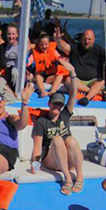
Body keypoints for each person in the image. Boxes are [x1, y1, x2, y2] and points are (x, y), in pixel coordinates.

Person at [32, 59, 83, 195]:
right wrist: (35, 163)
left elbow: (73, 94)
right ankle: (67, 178)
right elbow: (37, 146)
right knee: (57, 139)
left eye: (60, 104)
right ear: (49, 104)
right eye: (55, 104)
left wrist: (72, 73)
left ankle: (79, 176)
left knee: (70, 140)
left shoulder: (65, 114)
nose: (57, 106)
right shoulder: (41, 122)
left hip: (68, 159)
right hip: (52, 161)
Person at [53, 28, 106, 106]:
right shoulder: (75, 48)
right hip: (77, 80)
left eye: (89, 39)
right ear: (81, 39)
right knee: (67, 80)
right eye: (85, 39)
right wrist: (58, 39)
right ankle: (96, 92)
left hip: (93, 81)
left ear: (93, 40)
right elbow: (63, 46)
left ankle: (87, 98)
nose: (87, 41)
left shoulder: (99, 50)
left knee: (101, 82)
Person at [29, 33, 68, 98]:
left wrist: (65, 60)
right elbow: (28, 62)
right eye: (41, 44)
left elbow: (59, 58)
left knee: (60, 74)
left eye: (46, 44)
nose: (44, 46)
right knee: (38, 76)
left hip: (49, 77)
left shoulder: (53, 51)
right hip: (39, 76)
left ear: (49, 44)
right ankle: (42, 91)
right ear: (38, 44)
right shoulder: (35, 53)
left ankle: (53, 91)